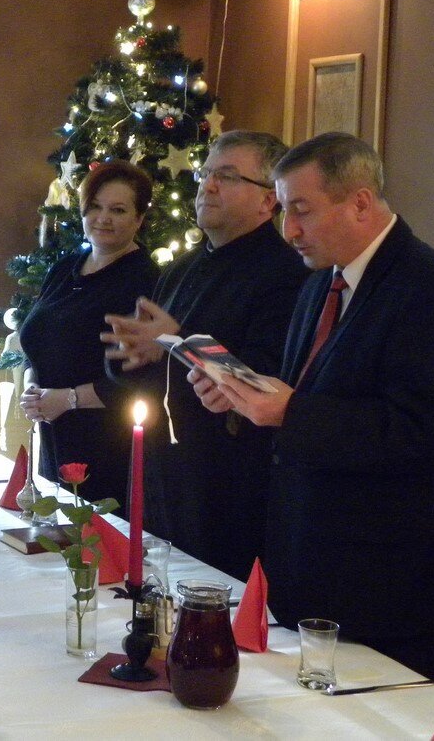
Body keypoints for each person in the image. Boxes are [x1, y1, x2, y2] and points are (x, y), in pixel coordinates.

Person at [190, 132, 434, 689]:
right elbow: (311, 395)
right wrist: (243, 398)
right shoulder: (321, 284)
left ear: (359, 202)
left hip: (399, 583)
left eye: (301, 210)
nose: (289, 230)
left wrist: (289, 411)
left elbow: (421, 433)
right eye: (284, 211)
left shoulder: (431, 290)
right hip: (318, 564)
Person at [99, 132, 307, 579]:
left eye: (227, 177)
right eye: (206, 173)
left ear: (268, 199)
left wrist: (173, 341)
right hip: (161, 476)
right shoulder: (180, 268)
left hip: (227, 487)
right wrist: (129, 353)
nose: (207, 186)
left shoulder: (286, 275)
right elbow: (147, 372)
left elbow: (265, 378)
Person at [18, 160, 159, 509]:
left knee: (95, 534)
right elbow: (38, 340)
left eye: (118, 210)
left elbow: (140, 378)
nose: (103, 218)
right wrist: (33, 386)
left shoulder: (145, 280)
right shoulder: (64, 268)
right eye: (95, 206)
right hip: (56, 436)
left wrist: (67, 399)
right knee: (58, 529)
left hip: (109, 443)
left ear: (139, 219)